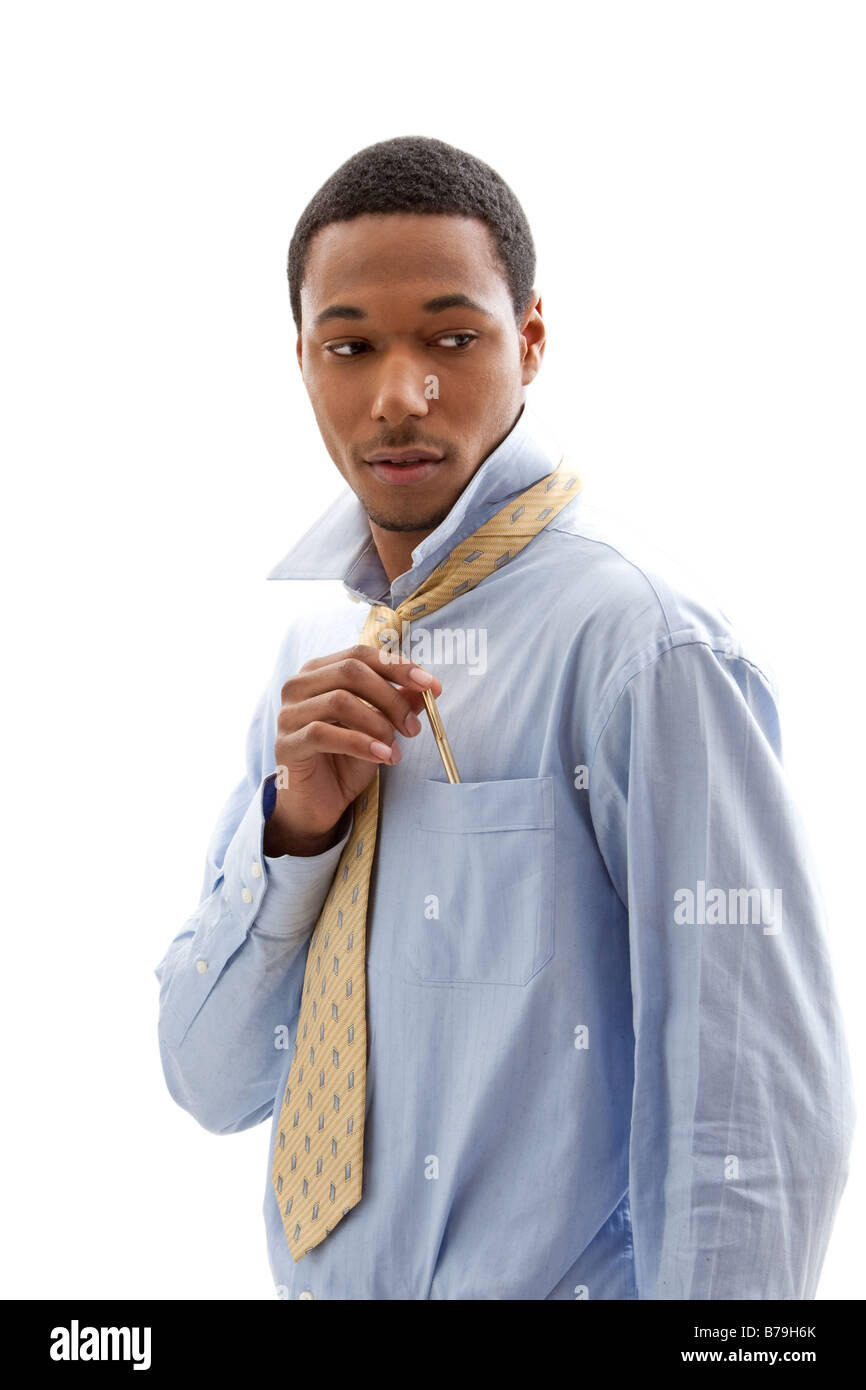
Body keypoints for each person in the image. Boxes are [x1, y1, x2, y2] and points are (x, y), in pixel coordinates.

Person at [154, 135, 855, 1301]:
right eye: (350, 346)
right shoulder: (312, 661)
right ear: (301, 360)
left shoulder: (641, 647)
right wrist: (293, 840)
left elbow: (755, 1113)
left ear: (528, 340)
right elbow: (210, 1078)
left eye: (449, 337)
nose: (397, 394)